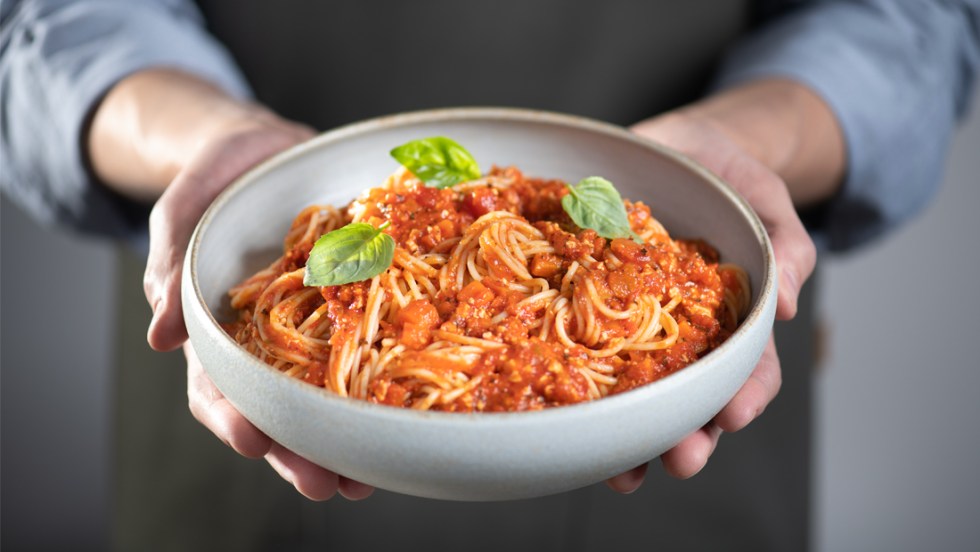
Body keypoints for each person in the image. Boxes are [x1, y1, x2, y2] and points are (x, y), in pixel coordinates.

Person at [2, 0, 977, 550]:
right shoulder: (305, 289)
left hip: (684, 461)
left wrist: (756, 136)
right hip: (253, 474)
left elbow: (907, 21)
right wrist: (198, 137)